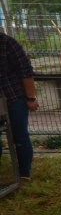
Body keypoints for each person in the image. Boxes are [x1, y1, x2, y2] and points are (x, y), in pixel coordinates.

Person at [0, 31, 38, 180]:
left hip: (13, 97)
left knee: (20, 137)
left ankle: (24, 173)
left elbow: (26, 72)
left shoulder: (8, 43)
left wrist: (31, 98)